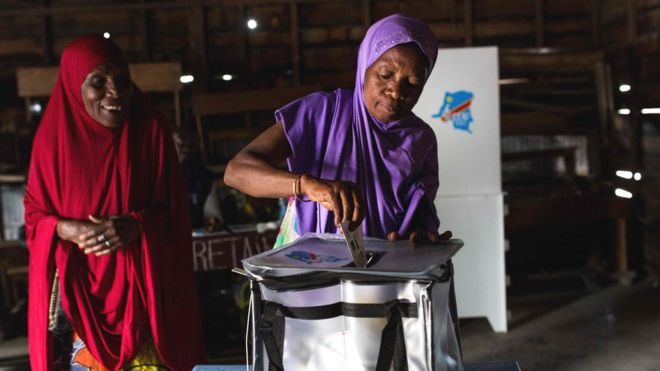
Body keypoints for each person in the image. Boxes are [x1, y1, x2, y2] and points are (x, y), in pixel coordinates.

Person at [24, 36, 205, 370]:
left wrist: (137, 225)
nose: (115, 92)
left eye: (122, 80)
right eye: (98, 82)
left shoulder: (151, 130)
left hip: (143, 295)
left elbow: (175, 213)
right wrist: (65, 228)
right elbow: (35, 217)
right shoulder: (52, 141)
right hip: (78, 297)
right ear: (73, 86)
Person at [224, 14, 450, 247]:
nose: (395, 91)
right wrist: (307, 186)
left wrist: (420, 235)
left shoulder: (420, 139)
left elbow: (420, 210)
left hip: (384, 276)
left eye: (412, 83)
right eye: (385, 75)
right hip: (309, 270)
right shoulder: (322, 112)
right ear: (365, 64)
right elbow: (236, 172)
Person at [172, 126, 223, 231]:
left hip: (195, 239)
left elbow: (212, 214)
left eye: (191, 145)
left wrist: (213, 221)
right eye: (181, 144)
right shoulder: (157, 178)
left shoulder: (205, 178)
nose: (186, 148)